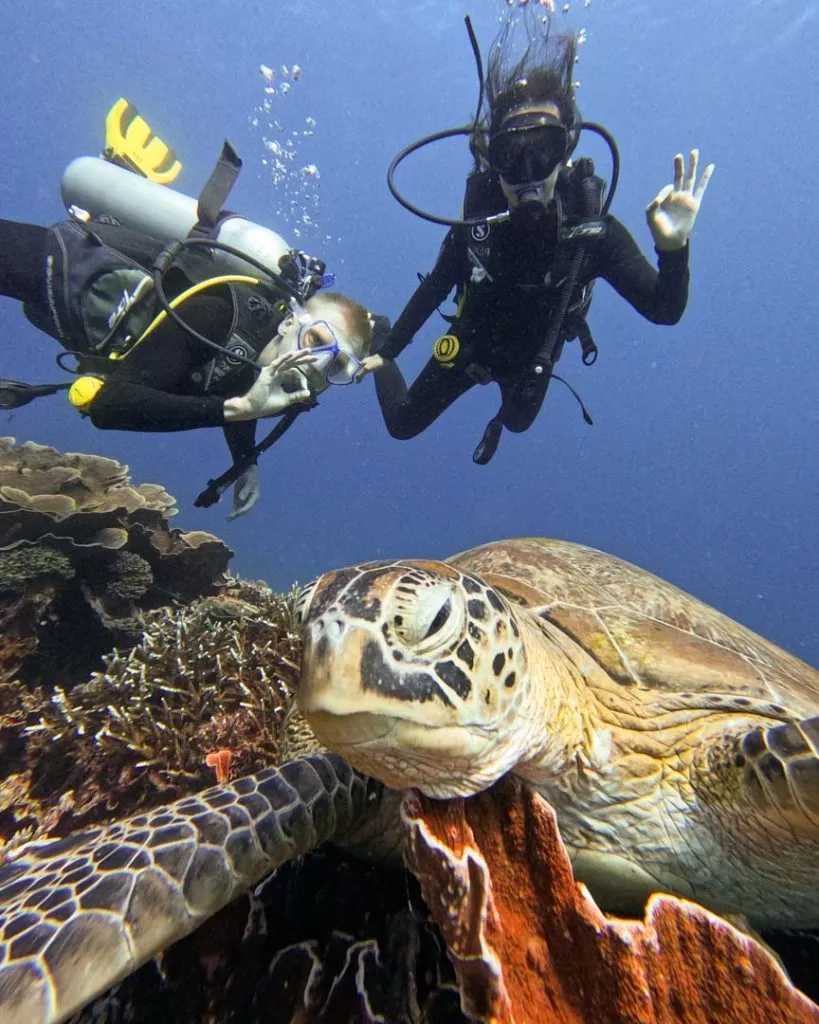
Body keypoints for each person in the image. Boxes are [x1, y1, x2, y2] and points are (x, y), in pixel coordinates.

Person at [361, 15, 714, 465]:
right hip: (471, 339)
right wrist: (387, 350)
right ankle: (378, 328)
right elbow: (435, 287)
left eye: (542, 150)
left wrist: (674, 249)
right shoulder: (477, 229)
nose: (527, 171)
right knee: (402, 424)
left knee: (519, 421)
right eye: (512, 154)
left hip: (534, 356)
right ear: (494, 161)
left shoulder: (594, 236)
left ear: (564, 152)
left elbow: (665, 309)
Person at [0, 99, 374, 518]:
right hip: (69, 269)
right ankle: (117, 191)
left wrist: (245, 460)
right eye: (318, 340)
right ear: (289, 320)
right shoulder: (218, 313)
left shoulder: (274, 371)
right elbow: (109, 406)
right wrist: (233, 410)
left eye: (338, 366)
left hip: (86, 324)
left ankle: (121, 186)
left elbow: (238, 381)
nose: (316, 364)